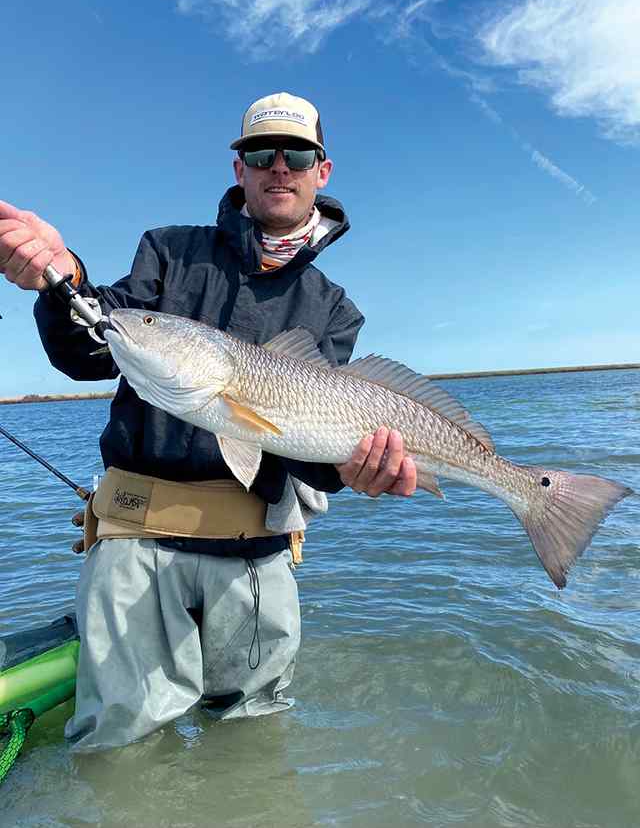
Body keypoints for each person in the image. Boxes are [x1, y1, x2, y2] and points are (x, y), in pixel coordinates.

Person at [0, 92, 417, 751]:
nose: (279, 167)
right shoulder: (168, 252)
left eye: (297, 154)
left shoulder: (334, 309)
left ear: (322, 170)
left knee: (255, 754)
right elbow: (94, 340)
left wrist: (352, 469)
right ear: (239, 168)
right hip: (134, 545)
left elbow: (309, 454)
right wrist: (62, 278)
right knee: (119, 749)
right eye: (260, 153)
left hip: (257, 559)